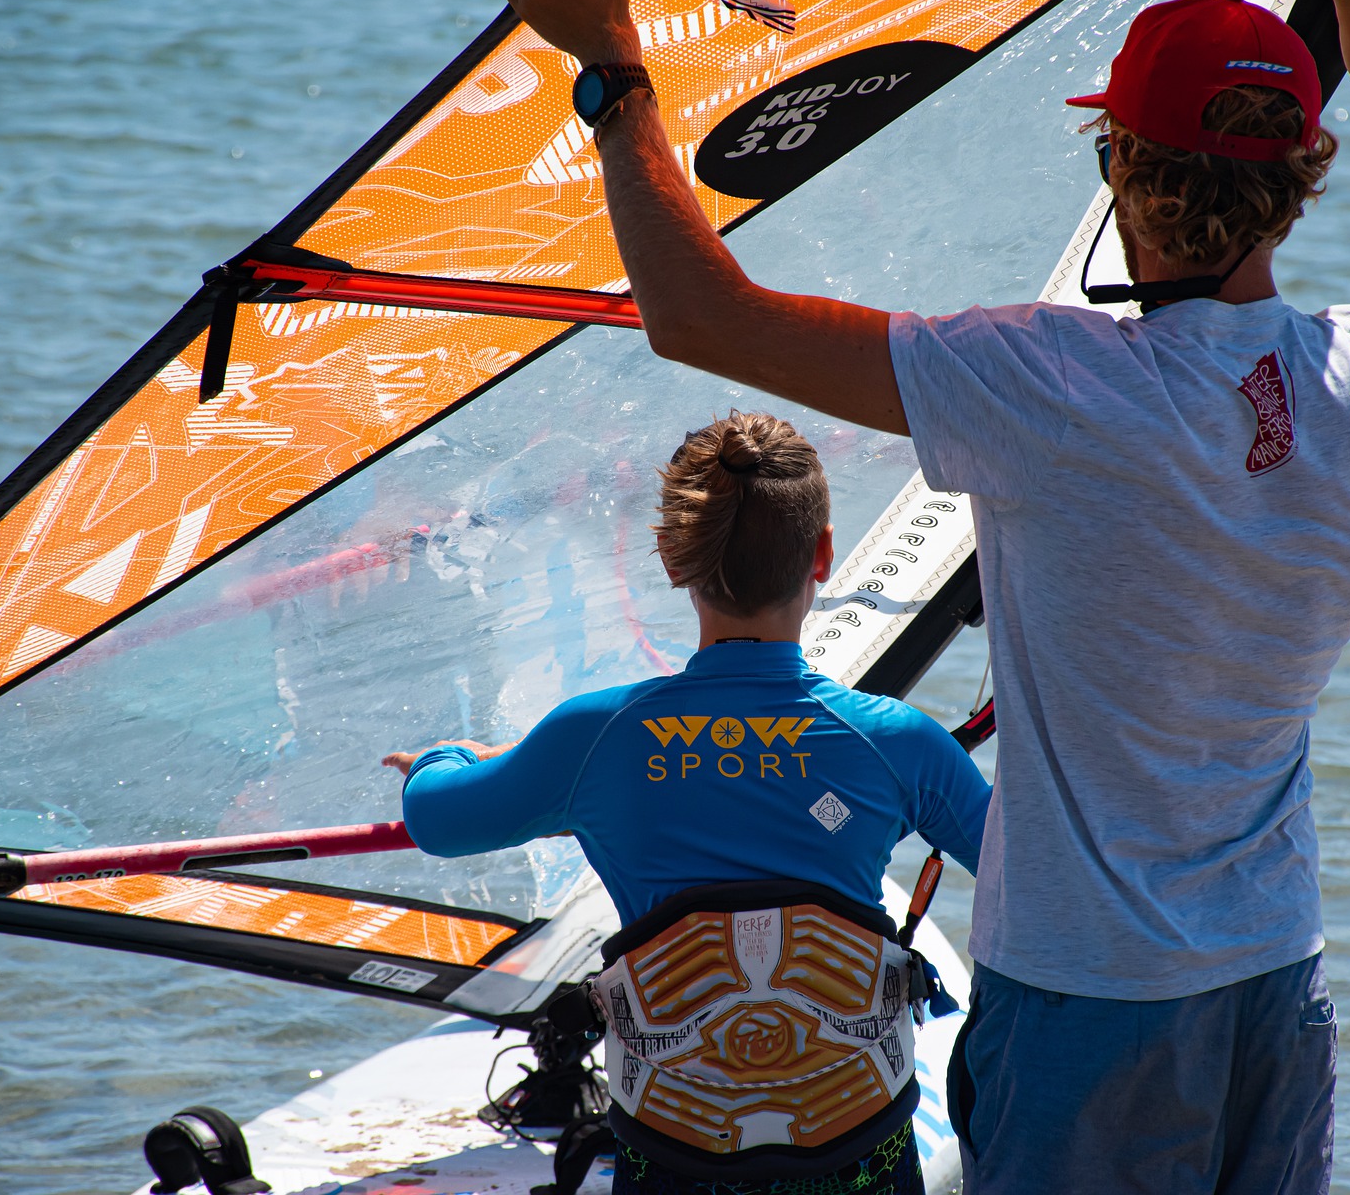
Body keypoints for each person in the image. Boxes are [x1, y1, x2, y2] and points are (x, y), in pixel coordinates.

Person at [497, 0, 1350, 1192]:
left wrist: (611, 61)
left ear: (1124, 170)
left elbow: (700, 315)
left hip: (1090, 1004)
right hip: (1276, 986)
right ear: (1305, 173)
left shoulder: (1050, 381)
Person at [387, 410, 991, 1195]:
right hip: (856, 1151)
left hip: (675, 1158)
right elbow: (1034, 877)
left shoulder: (593, 740)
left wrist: (448, 758)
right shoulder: (896, 744)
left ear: (672, 558)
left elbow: (435, 818)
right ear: (823, 556)